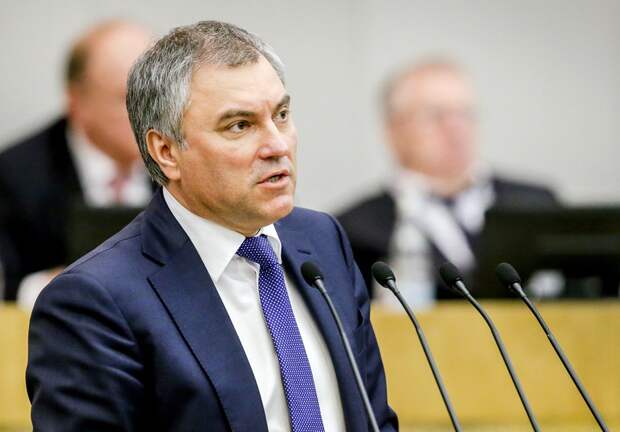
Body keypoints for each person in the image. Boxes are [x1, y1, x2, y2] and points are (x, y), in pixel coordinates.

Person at [26, 20, 398, 431]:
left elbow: (374, 418)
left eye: (281, 115)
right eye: (240, 125)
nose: (277, 145)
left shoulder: (322, 241)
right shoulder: (94, 301)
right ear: (166, 151)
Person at [338, 59, 557, 308]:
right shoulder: (354, 230)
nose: (456, 127)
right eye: (436, 115)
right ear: (392, 130)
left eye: (465, 113)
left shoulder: (537, 204)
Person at [0, 20, 154, 303]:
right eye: (126, 99)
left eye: (157, 96)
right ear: (76, 102)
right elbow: (8, 282)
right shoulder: (15, 175)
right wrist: (53, 286)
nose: (150, 115)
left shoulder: (184, 161)